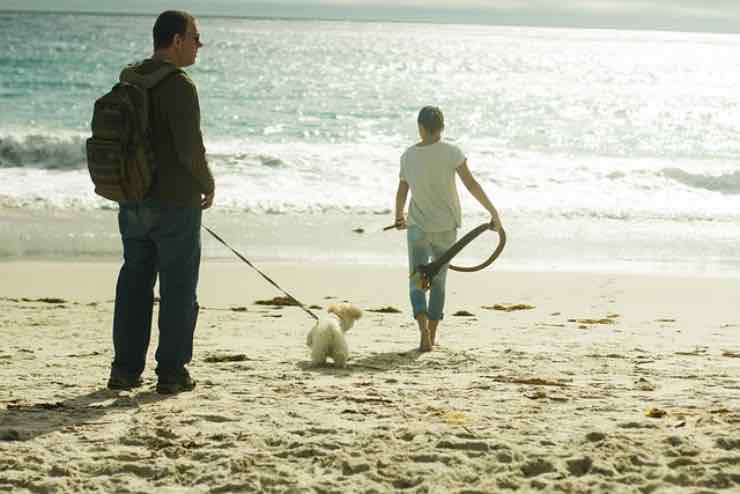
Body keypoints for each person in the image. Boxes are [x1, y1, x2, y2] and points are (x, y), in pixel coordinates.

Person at [107, 10, 215, 394]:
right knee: (178, 289)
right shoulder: (179, 85)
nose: (199, 45)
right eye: (195, 37)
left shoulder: (131, 77)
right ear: (176, 41)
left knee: (134, 284)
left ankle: (124, 371)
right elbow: (190, 149)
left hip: (133, 198)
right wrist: (208, 183)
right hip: (175, 204)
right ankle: (171, 373)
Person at [394, 106, 502, 352]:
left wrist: (399, 215)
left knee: (417, 280)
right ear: (441, 127)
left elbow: (402, 190)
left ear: (420, 127)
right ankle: (432, 333)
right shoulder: (452, 152)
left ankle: (422, 330)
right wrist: (493, 212)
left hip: (418, 226)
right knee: (439, 282)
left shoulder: (408, 155)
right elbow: (471, 184)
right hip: (445, 227)